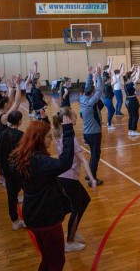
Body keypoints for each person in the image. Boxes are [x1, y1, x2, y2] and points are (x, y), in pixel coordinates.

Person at [10, 117, 75, 271]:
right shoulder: (39, 162)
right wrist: (68, 131)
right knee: (57, 261)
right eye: (48, 136)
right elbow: (65, 163)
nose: (51, 139)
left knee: (47, 259)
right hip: (46, 219)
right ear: (39, 138)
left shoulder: (23, 157)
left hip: (33, 215)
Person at [53, 107, 96, 252]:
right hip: (68, 178)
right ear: (68, 119)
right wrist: (92, 179)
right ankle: (70, 242)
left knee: (84, 201)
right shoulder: (71, 138)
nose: (77, 117)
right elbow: (84, 160)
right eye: (74, 116)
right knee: (78, 206)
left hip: (63, 177)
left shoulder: (60, 134)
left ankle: (73, 230)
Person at [0, 111, 25, 230]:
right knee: (28, 193)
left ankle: (14, 221)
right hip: (18, 169)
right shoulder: (21, 135)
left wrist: (1, 169)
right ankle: (28, 218)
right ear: (19, 121)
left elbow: (0, 152)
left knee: (11, 196)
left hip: (7, 169)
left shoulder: (3, 133)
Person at [80, 64, 104, 186]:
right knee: (95, 156)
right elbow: (99, 90)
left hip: (87, 133)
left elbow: (88, 87)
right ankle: (92, 179)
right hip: (94, 133)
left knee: (93, 155)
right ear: (91, 94)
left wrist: (90, 74)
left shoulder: (83, 98)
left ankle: (89, 174)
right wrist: (98, 75)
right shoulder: (90, 102)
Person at [123, 65, 140, 136]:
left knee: (131, 116)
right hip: (132, 101)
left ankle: (130, 130)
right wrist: (139, 71)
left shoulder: (125, 84)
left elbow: (131, 76)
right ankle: (133, 130)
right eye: (130, 78)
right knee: (135, 116)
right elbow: (136, 79)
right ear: (128, 79)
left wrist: (135, 71)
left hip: (128, 101)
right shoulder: (130, 84)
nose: (131, 79)